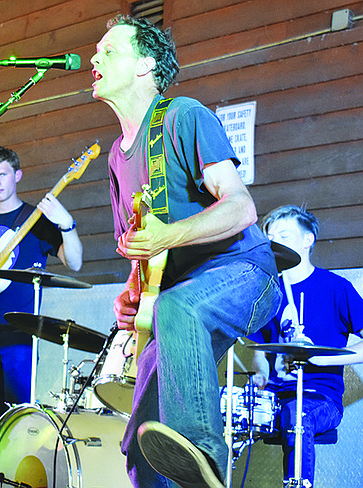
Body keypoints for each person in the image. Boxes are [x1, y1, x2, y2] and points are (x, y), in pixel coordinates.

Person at [91, 15, 282, 488]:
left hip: (245, 274)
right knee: (142, 441)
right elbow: (144, 247)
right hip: (177, 301)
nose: (94, 58)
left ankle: (203, 455)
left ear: (146, 65)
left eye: (109, 50)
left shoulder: (184, 116)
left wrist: (167, 238)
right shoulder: (117, 156)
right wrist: (132, 298)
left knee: (178, 309)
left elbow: (240, 208)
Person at [0, 145, 82, 428]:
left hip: (20, 333)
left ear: (18, 175)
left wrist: (67, 225)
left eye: (2, 174)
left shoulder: (35, 220)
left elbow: (75, 262)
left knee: (20, 418)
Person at [250, 205, 363, 486]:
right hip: (275, 397)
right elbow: (261, 351)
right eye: (270, 236)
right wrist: (260, 374)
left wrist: (325, 360)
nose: (275, 241)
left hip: (320, 399)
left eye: (284, 235)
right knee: (225, 413)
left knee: (297, 414)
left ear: (307, 239)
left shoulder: (336, 287)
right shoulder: (268, 292)